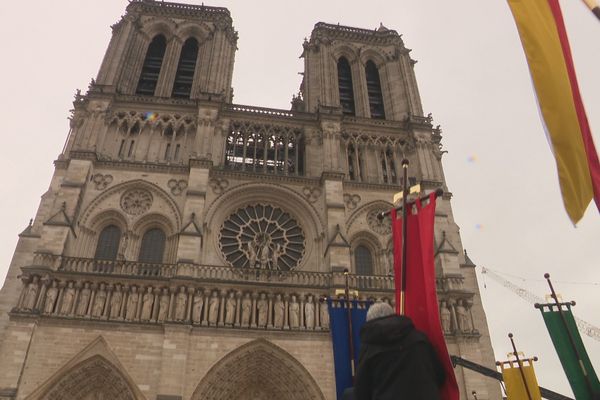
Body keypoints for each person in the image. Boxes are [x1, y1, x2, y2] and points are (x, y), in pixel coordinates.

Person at [355, 302, 445, 400]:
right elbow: (440, 375)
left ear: (370, 321)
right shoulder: (419, 339)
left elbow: (362, 391)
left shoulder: (368, 349)